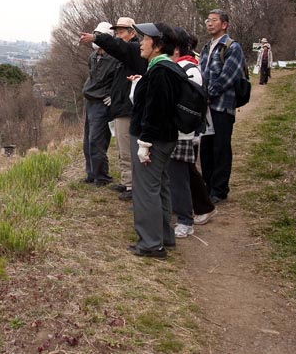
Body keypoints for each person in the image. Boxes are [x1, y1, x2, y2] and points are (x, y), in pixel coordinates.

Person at [79, 17, 148, 201]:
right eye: (116, 32)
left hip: (126, 108)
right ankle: (126, 182)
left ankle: (131, 186)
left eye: (121, 31)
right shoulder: (109, 55)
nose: (118, 35)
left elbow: (117, 48)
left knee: (124, 148)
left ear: (133, 32)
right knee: (120, 148)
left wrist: (96, 38)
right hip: (117, 107)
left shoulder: (132, 50)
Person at [126, 22, 180, 259]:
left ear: (157, 45)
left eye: (145, 39)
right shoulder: (167, 67)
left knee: (146, 190)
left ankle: (150, 244)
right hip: (166, 138)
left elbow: (155, 110)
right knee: (161, 186)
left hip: (153, 140)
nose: (140, 43)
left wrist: (144, 144)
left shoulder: (159, 71)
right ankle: (164, 237)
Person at [167, 28, 216, 237]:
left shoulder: (188, 69)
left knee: (180, 173)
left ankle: (185, 220)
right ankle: (204, 207)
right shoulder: (183, 66)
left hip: (182, 130)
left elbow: (190, 102)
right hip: (183, 129)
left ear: (176, 48)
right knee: (186, 170)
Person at [199, 9, 246, 204]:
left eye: (214, 20)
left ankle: (219, 189)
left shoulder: (232, 47)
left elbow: (229, 76)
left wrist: (209, 94)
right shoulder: (206, 47)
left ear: (224, 24)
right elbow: (202, 74)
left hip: (222, 106)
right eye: (207, 20)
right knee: (206, 149)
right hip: (206, 108)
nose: (209, 23)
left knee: (221, 148)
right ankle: (208, 186)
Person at [81, 21, 119, 186]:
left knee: (97, 140)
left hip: (102, 103)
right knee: (87, 141)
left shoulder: (115, 58)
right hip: (90, 100)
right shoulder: (93, 57)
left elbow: (119, 80)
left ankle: (101, 175)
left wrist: (113, 95)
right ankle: (91, 173)